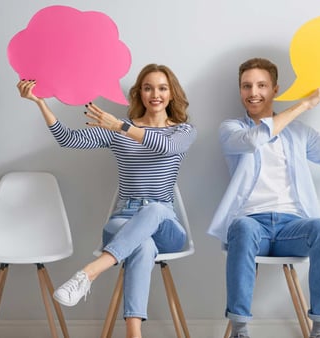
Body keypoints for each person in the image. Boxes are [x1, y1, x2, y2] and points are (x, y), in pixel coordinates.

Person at [207, 57, 320, 338]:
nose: (253, 92)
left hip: (291, 229)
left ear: (276, 89)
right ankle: (240, 330)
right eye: (246, 86)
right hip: (250, 226)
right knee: (243, 226)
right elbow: (255, 140)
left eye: (261, 85)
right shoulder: (232, 129)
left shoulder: (299, 134)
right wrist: (305, 103)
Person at [17, 63, 197, 338]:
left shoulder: (182, 132)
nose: (155, 94)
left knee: (157, 208)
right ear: (140, 93)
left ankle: (88, 273)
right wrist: (40, 103)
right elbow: (68, 140)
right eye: (148, 88)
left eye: (162, 88)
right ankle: (133, 333)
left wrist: (122, 126)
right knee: (142, 246)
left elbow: (166, 147)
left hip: (166, 223)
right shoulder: (117, 131)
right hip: (123, 220)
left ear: (172, 94)